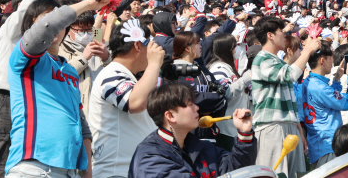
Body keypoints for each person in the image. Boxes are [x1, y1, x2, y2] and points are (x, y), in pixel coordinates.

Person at [5, 0, 111, 177]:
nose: (84, 34)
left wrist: (87, 173)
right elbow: (48, 26)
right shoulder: (28, 57)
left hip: (69, 168)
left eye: (88, 30)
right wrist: (86, 4)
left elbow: (82, 125)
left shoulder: (73, 63)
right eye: (80, 29)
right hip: (33, 167)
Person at [0, 0, 62, 178]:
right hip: (4, 100)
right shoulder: (10, 32)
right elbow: (24, 8)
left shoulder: (40, 45)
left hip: (28, 101)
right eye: (44, 14)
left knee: (20, 159)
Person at [128, 82, 257, 178]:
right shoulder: (150, 156)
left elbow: (236, 170)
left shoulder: (201, 146)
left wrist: (244, 134)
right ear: (170, 116)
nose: (197, 108)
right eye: (190, 105)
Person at [88, 19, 165, 178]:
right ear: (138, 45)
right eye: (149, 44)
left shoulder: (124, 75)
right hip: (116, 172)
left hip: (130, 170)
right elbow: (135, 102)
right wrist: (154, 64)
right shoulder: (111, 73)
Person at [250, 17, 321, 178]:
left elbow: (290, 102)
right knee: (275, 174)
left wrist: (299, 131)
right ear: (270, 35)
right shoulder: (262, 59)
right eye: (281, 31)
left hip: (288, 125)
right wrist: (307, 50)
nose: (285, 35)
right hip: (272, 126)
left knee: (296, 175)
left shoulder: (276, 61)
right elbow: (290, 75)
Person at [301, 40, 348, 168]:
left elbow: (329, 101)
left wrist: (337, 79)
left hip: (317, 145)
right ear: (322, 60)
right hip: (328, 146)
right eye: (330, 60)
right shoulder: (320, 88)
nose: (332, 63)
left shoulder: (308, 82)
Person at [207, 33, 253, 142]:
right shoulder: (219, 67)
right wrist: (247, 77)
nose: (236, 50)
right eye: (234, 47)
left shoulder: (228, 67)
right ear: (226, 50)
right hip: (226, 129)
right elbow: (226, 92)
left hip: (234, 128)